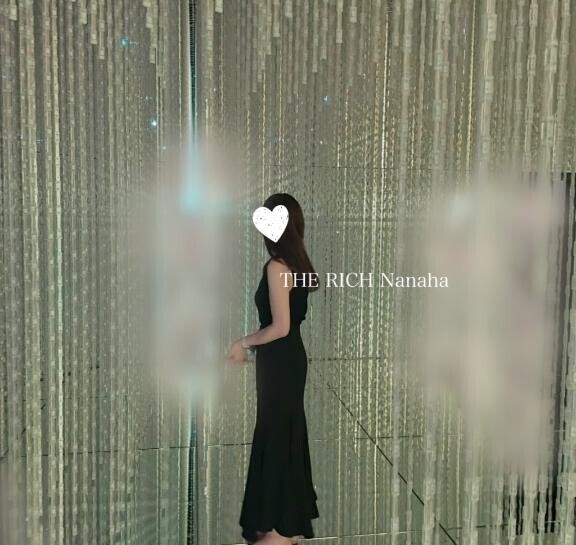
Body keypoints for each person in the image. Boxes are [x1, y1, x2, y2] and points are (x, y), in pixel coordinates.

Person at [228, 193, 319, 544]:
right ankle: (282, 520)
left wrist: (242, 342)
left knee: (278, 434)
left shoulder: (277, 267)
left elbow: (280, 326)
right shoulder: (295, 264)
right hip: (286, 361)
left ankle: (282, 525)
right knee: (281, 433)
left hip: (281, 363)